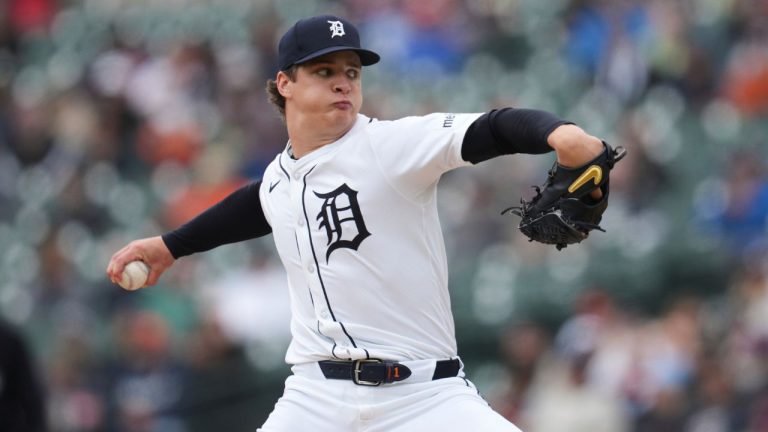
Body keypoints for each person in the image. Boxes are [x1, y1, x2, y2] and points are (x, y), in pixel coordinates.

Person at [107, 14, 609, 431]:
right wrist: (170, 246)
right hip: (314, 399)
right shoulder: (281, 176)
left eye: (352, 70)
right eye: (325, 71)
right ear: (285, 84)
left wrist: (561, 133)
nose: (344, 81)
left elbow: (492, 127)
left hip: (424, 398)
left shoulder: (389, 147)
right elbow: (258, 203)